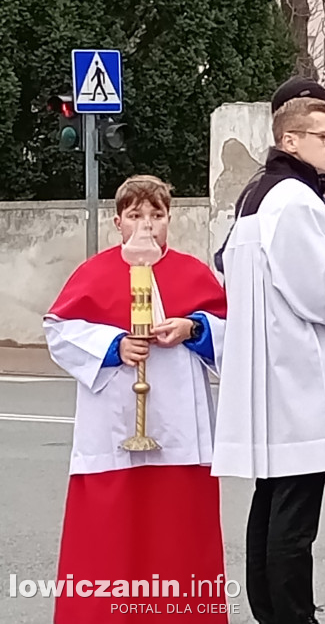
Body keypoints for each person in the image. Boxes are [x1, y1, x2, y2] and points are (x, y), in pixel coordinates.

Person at [212, 82, 325, 624]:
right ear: (290, 139)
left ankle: (273, 609)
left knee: (272, 499)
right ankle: (291, 614)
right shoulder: (293, 200)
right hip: (301, 374)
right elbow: (323, 288)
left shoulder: (257, 194)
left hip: (274, 368)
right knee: (295, 506)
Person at [44, 175, 229, 624]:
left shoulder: (193, 273)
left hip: (181, 432)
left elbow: (234, 330)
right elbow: (58, 330)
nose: (146, 225)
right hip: (112, 434)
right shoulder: (94, 272)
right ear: (117, 223)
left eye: (156, 216)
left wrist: (195, 328)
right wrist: (113, 346)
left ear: (170, 220)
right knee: (110, 537)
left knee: (178, 537)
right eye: (135, 216)